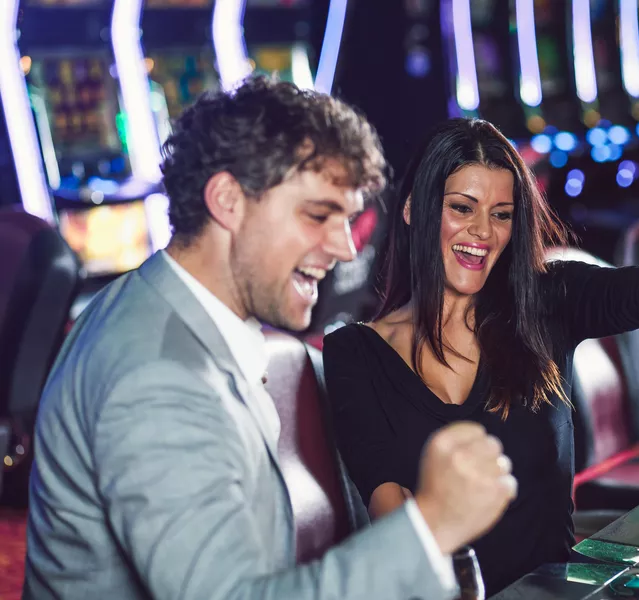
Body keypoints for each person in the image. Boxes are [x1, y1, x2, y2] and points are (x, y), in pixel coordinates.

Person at [23, 76, 519, 600]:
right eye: (319, 215)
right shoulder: (157, 378)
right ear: (228, 200)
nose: (346, 248)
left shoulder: (169, 307)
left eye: (347, 219)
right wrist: (430, 525)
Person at [323, 116, 639, 596]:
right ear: (413, 208)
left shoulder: (543, 301)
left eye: (501, 214)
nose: (483, 232)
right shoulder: (355, 353)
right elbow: (392, 520)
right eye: (462, 208)